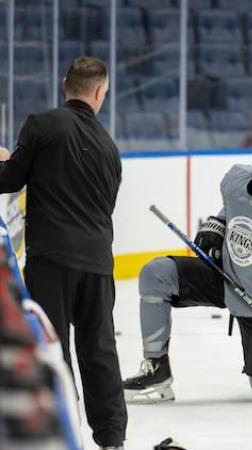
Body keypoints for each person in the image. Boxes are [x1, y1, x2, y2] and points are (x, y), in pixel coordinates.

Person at [122, 127, 252, 404]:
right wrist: (218, 225)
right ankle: (156, 368)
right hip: (225, 276)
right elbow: (233, 208)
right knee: (155, 273)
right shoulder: (235, 178)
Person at [0, 57, 126, 450]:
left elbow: (10, 180)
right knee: (99, 349)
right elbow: (105, 207)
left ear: (63, 83)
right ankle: (112, 438)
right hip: (99, 262)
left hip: (52, 258)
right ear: (100, 92)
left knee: (54, 348)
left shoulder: (43, 123)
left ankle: (64, 434)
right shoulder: (110, 147)